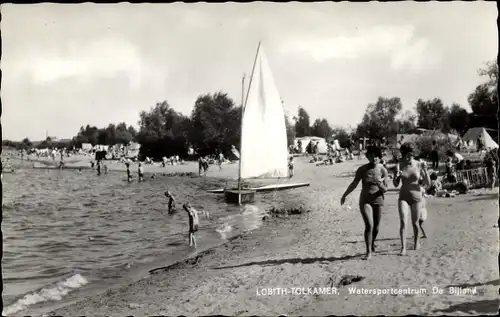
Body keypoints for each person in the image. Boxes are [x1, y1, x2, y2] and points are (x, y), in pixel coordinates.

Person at [341, 145, 388, 260]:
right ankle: (368, 252)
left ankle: (372, 243)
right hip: (365, 200)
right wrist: (345, 195)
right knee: (369, 225)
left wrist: (379, 184)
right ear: (368, 157)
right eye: (372, 156)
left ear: (379, 157)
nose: (375, 158)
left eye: (377, 156)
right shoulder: (362, 169)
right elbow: (354, 183)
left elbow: (385, 189)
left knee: (376, 227)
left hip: (378, 200)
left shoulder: (382, 169)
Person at [393, 143, 430, 256]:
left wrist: (425, 170)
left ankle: (416, 242)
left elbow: (428, 183)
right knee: (403, 222)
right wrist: (396, 176)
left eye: (410, 155)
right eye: (406, 155)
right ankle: (403, 248)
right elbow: (395, 184)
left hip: (417, 196)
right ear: (403, 154)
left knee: (415, 223)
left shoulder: (419, 164)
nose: (408, 157)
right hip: (403, 196)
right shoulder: (399, 164)